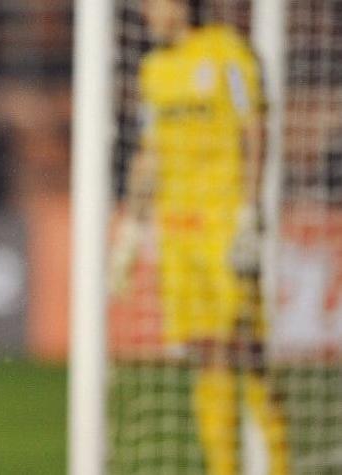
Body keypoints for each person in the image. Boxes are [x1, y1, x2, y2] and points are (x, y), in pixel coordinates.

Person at [111, 1, 288, 473]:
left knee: (244, 349)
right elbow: (150, 152)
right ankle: (223, 467)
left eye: (155, 4)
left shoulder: (227, 52)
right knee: (206, 350)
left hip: (225, 224)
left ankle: (279, 460)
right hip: (177, 230)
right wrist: (132, 225)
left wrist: (252, 209)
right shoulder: (154, 69)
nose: (148, 14)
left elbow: (254, 129)